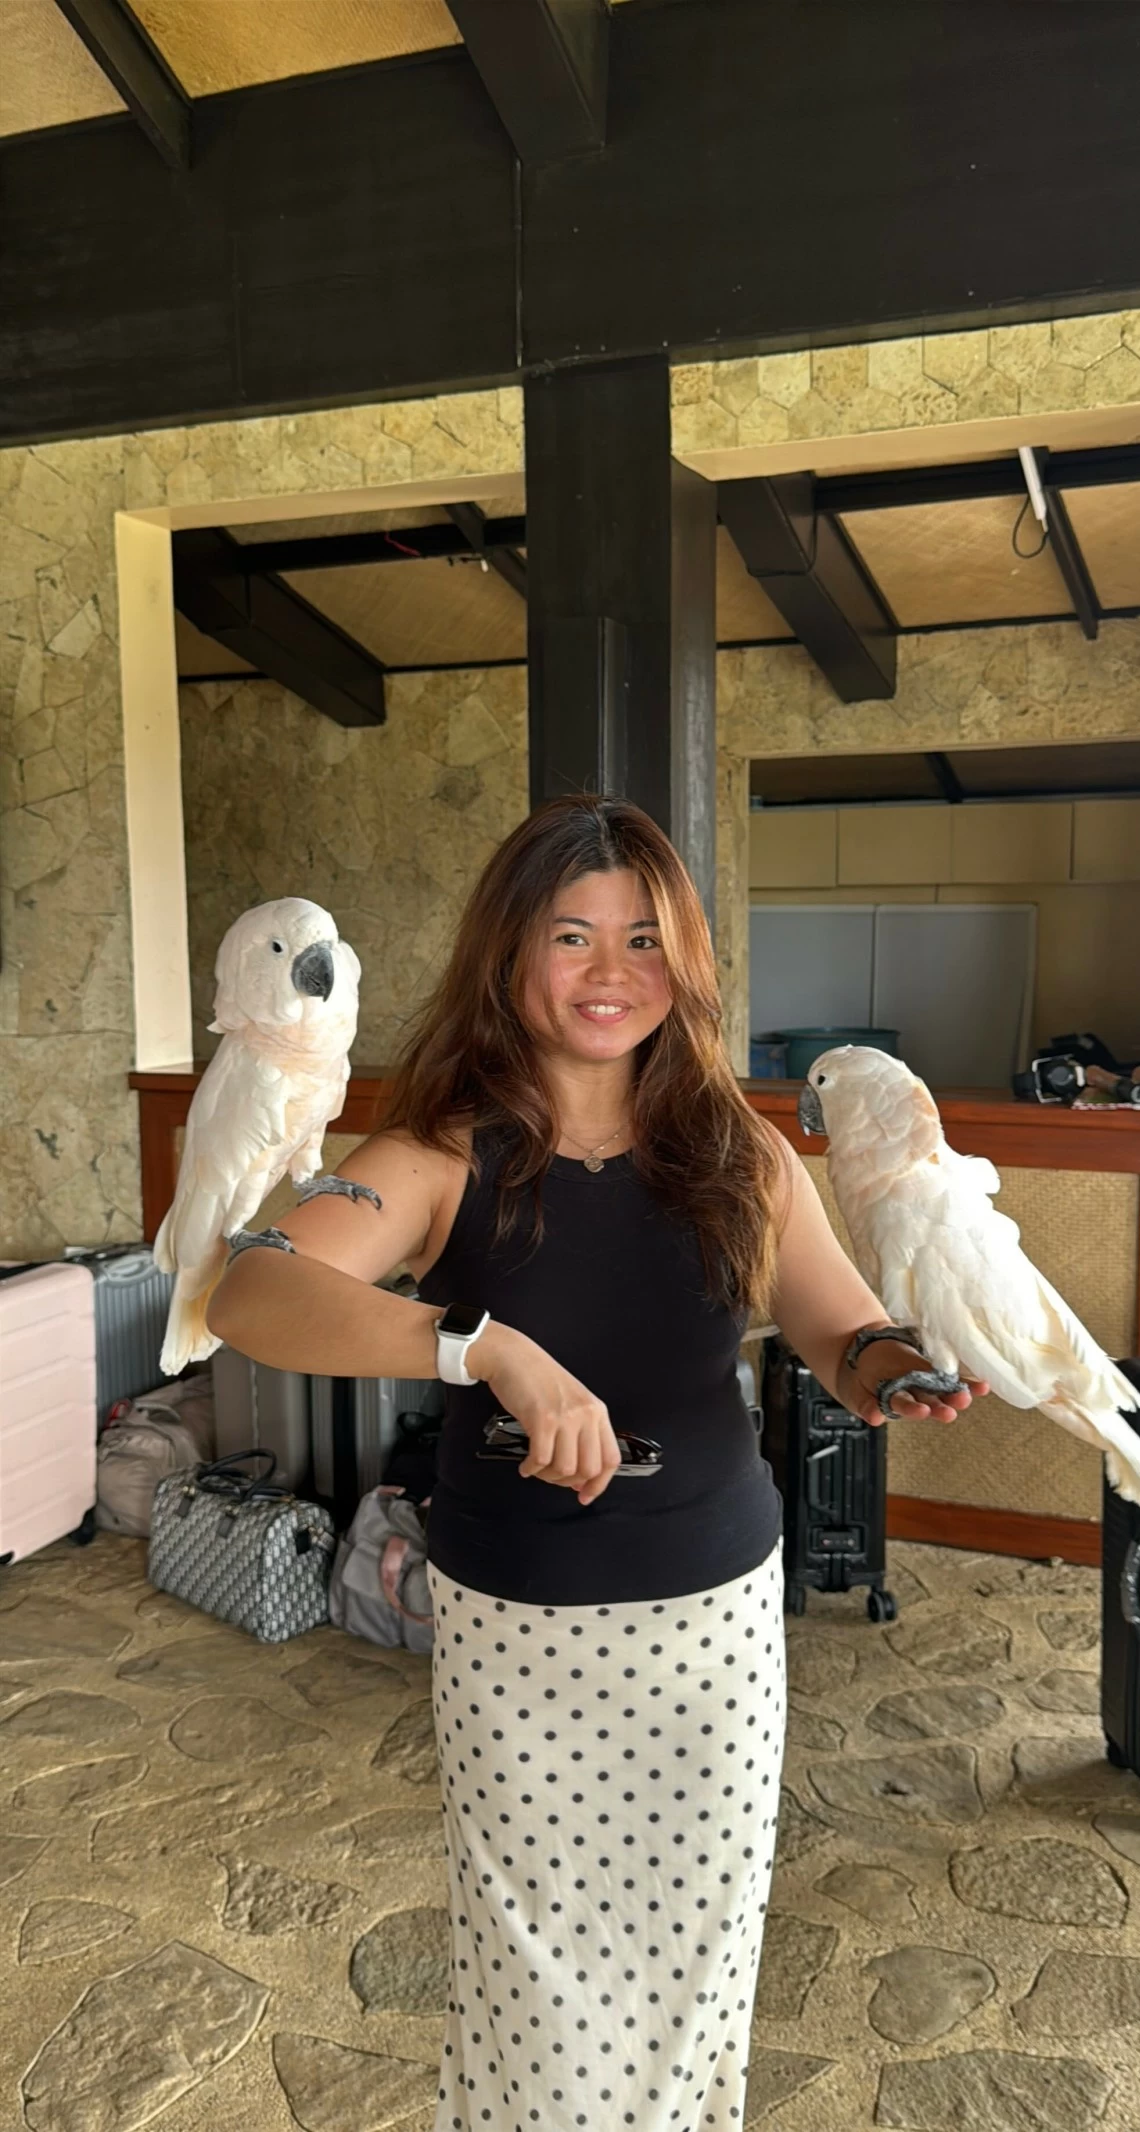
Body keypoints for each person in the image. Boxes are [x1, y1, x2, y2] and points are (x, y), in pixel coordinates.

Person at [208, 794, 983, 2132]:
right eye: (572, 936)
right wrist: (480, 1347)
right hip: (523, 1634)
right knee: (542, 1989)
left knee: (697, 1977)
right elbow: (254, 1292)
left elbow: (837, 1326)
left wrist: (891, 1368)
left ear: (684, 962)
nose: (611, 972)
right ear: (511, 950)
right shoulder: (441, 1152)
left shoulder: (740, 1150)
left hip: (715, 1626)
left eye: (644, 939)